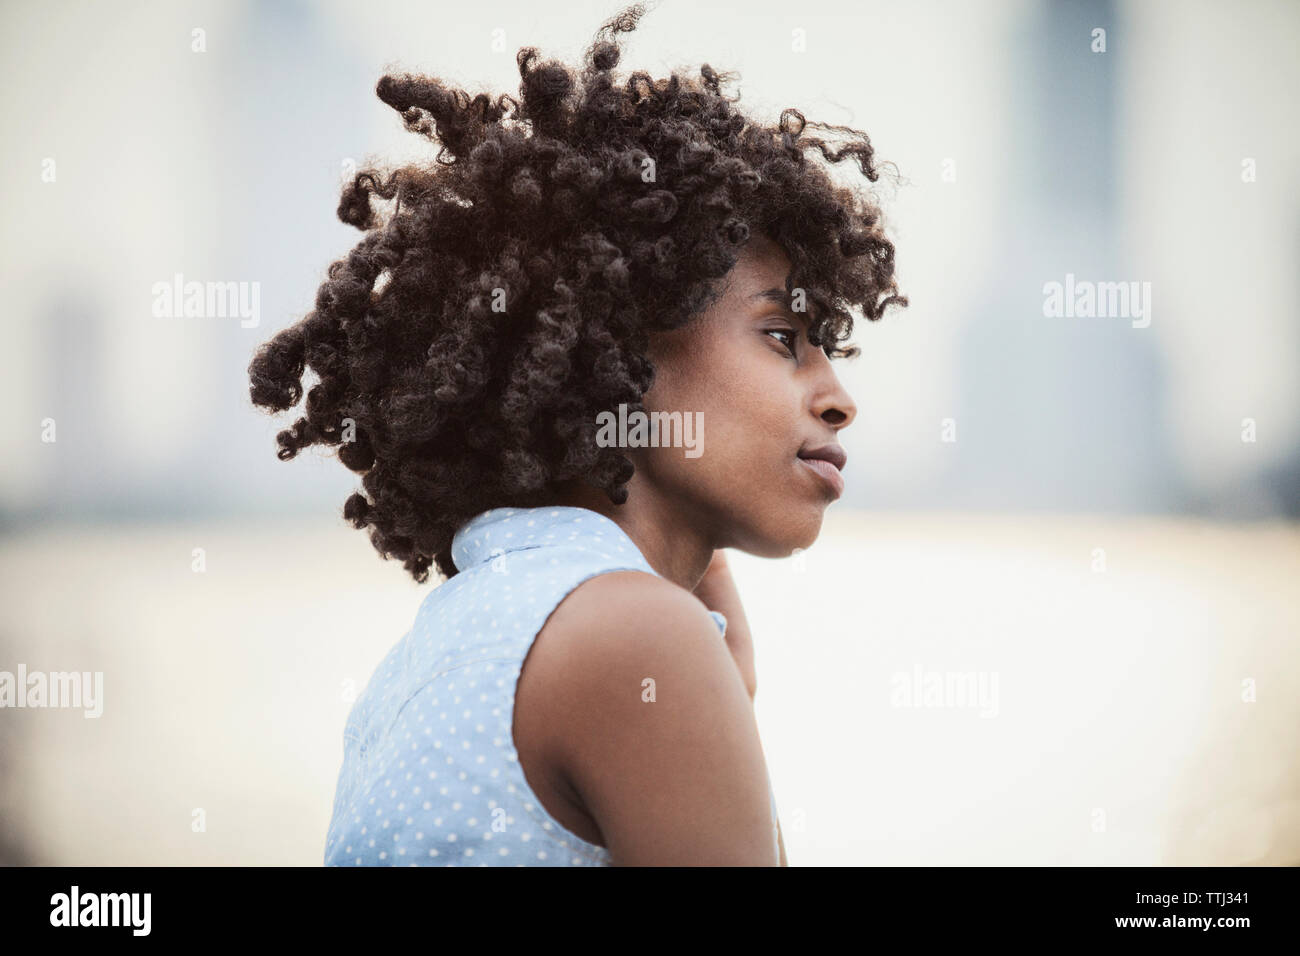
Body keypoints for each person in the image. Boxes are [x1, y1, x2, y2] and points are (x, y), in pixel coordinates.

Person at [247, 2, 906, 865]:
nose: (837, 398)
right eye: (783, 337)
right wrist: (702, 682)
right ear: (619, 343)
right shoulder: (641, 642)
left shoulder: (423, 663)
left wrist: (726, 693)